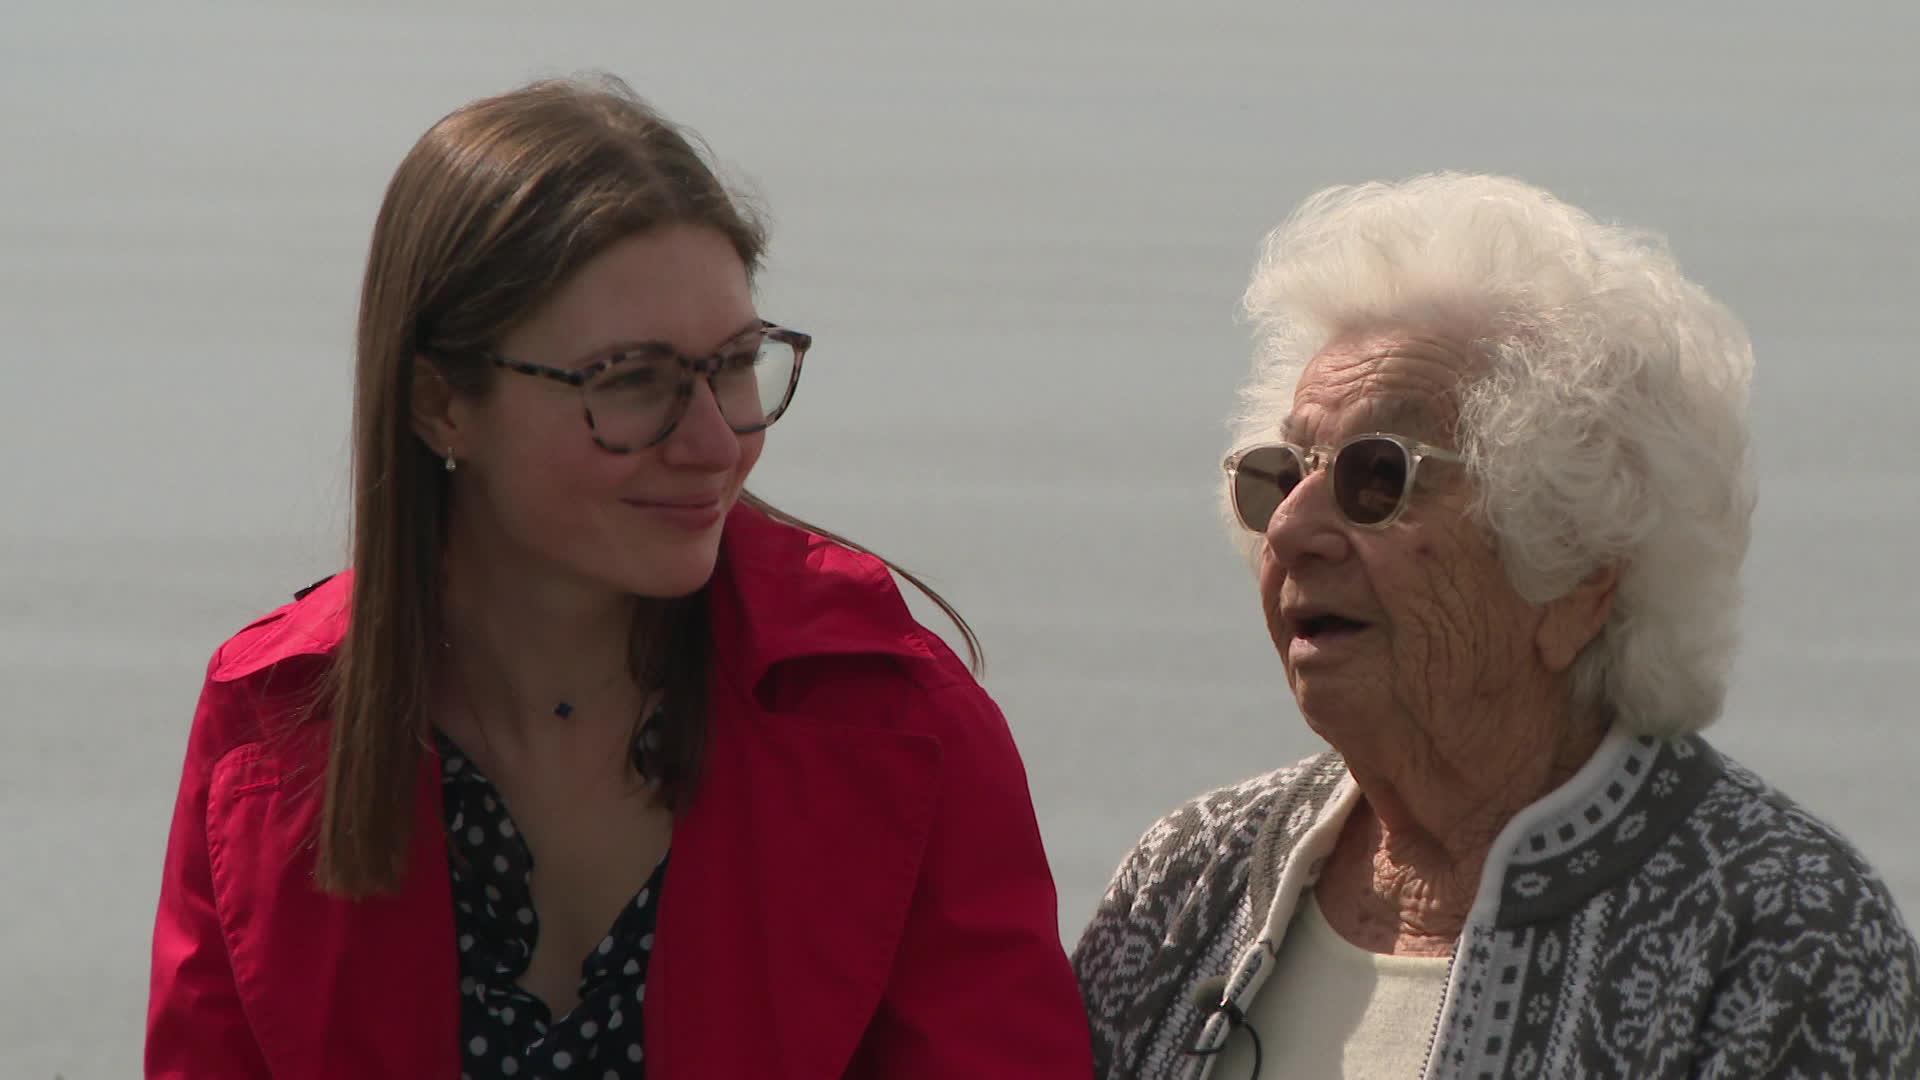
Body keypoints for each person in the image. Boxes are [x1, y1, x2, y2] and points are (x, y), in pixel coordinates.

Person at [146, 75, 1092, 1079]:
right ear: (438, 404)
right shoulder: (271, 724)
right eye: (630, 380)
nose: (713, 441)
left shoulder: (898, 720)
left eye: (734, 363)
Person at [1072, 173, 1920, 1078]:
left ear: (1581, 575)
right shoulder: (1187, 883)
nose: (1288, 530)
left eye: (1376, 476)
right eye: (1283, 473)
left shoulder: (1782, 932)